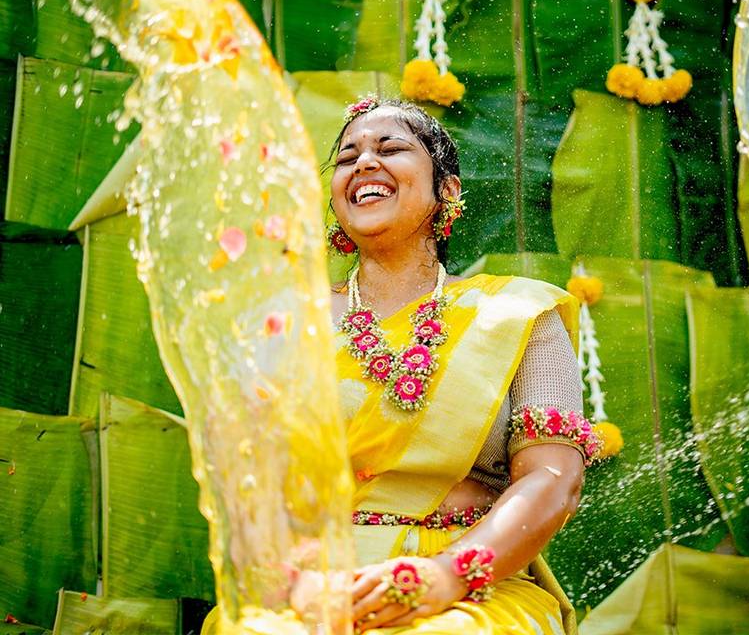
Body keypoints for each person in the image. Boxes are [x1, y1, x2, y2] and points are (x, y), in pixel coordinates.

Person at [205, 97, 600, 634]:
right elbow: (245, 487)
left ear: (448, 191)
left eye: (391, 148)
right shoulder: (282, 325)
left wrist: (444, 576)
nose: (365, 163)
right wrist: (297, 584)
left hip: (472, 587)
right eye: (347, 158)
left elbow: (554, 481)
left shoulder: (518, 314)